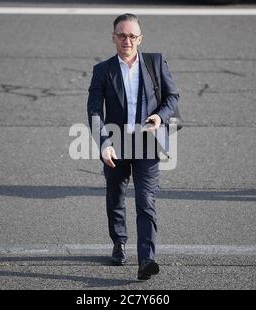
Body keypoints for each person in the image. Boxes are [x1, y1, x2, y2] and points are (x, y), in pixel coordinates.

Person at [87, 13, 180, 281]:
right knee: (115, 196)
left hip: (147, 142)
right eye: (121, 35)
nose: (126, 40)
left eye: (131, 35)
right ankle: (119, 242)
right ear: (113, 38)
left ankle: (146, 259)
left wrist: (159, 117)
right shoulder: (102, 70)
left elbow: (172, 96)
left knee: (145, 201)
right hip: (116, 143)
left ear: (140, 38)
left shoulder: (155, 62)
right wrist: (103, 143)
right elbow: (94, 112)